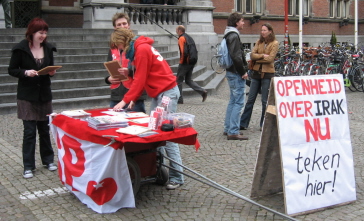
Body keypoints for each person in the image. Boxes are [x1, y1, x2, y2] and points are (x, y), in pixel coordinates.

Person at [110, 28, 184, 190]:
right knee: (155, 132)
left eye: (119, 46)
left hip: (166, 93)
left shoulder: (141, 50)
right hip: (160, 93)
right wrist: (132, 99)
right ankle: (158, 170)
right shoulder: (138, 49)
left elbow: (140, 79)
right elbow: (139, 78)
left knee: (166, 133)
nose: (120, 50)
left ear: (123, 41)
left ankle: (177, 176)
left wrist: (125, 100)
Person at [8, 18, 58, 179]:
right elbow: (12, 69)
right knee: (29, 132)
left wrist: (51, 72)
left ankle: (48, 160)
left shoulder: (48, 48)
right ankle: (28, 166)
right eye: (40, 32)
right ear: (32, 32)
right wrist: (25, 73)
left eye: (45, 33)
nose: (43, 36)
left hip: (44, 94)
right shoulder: (20, 49)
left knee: (44, 130)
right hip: (27, 95)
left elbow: (51, 66)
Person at [240, 23, 279, 131]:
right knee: (250, 99)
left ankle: (264, 124)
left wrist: (258, 58)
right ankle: (243, 123)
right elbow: (252, 55)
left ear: (270, 31)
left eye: (265, 30)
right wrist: (262, 56)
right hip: (256, 73)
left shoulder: (274, 43)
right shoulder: (259, 42)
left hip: (267, 74)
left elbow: (270, 59)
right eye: (262, 30)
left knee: (265, 100)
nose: (262, 32)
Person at [105, 12, 147, 113]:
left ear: (129, 25)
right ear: (115, 27)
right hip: (116, 94)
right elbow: (108, 68)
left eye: (124, 23)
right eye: (119, 25)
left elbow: (143, 72)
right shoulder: (112, 47)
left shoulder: (137, 45)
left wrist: (129, 72)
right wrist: (108, 79)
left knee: (137, 125)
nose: (122, 26)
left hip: (134, 94)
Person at [223, 12, 249, 141]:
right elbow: (236, 56)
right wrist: (243, 71)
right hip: (235, 72)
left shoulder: (228, 34)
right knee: (238, 102)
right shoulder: (233, 35)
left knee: (233, 101)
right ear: (237, 22)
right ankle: (233, 131)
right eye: (242, 21)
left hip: (230, 71)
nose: (243, 23)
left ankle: (228, 128)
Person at [176, 25, 207, 104]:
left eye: (177, 31)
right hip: (192, 61)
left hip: (185, 62)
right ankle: (202, 91)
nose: (176, 32)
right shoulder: (189, 37)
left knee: (178, 80)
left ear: (179, 31)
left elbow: (184, 52)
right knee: (188, 80)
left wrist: (181, 63)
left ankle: (179, 99)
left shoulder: (182, 38)